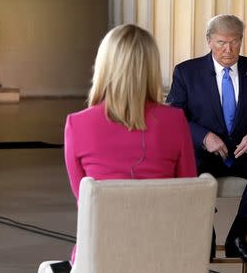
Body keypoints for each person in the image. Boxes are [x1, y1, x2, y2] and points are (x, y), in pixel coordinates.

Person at [64, 24, 197, 263]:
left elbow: (84, 201)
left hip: (100, 255)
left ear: (104, 66)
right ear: (151, 69)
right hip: (164, 256)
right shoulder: (175, 121)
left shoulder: (76, 125)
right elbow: (187, 196)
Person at [167, 15, 247, 264]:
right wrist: (204, 137)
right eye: (221, 42)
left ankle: (237, 236)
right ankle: (204, 234)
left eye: (234, 42)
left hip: (245, 152)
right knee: (185, 167)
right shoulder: (186, 72)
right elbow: (174, 119)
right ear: (209, 41)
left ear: (241, 41)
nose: (228, 49)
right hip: (203, 153)